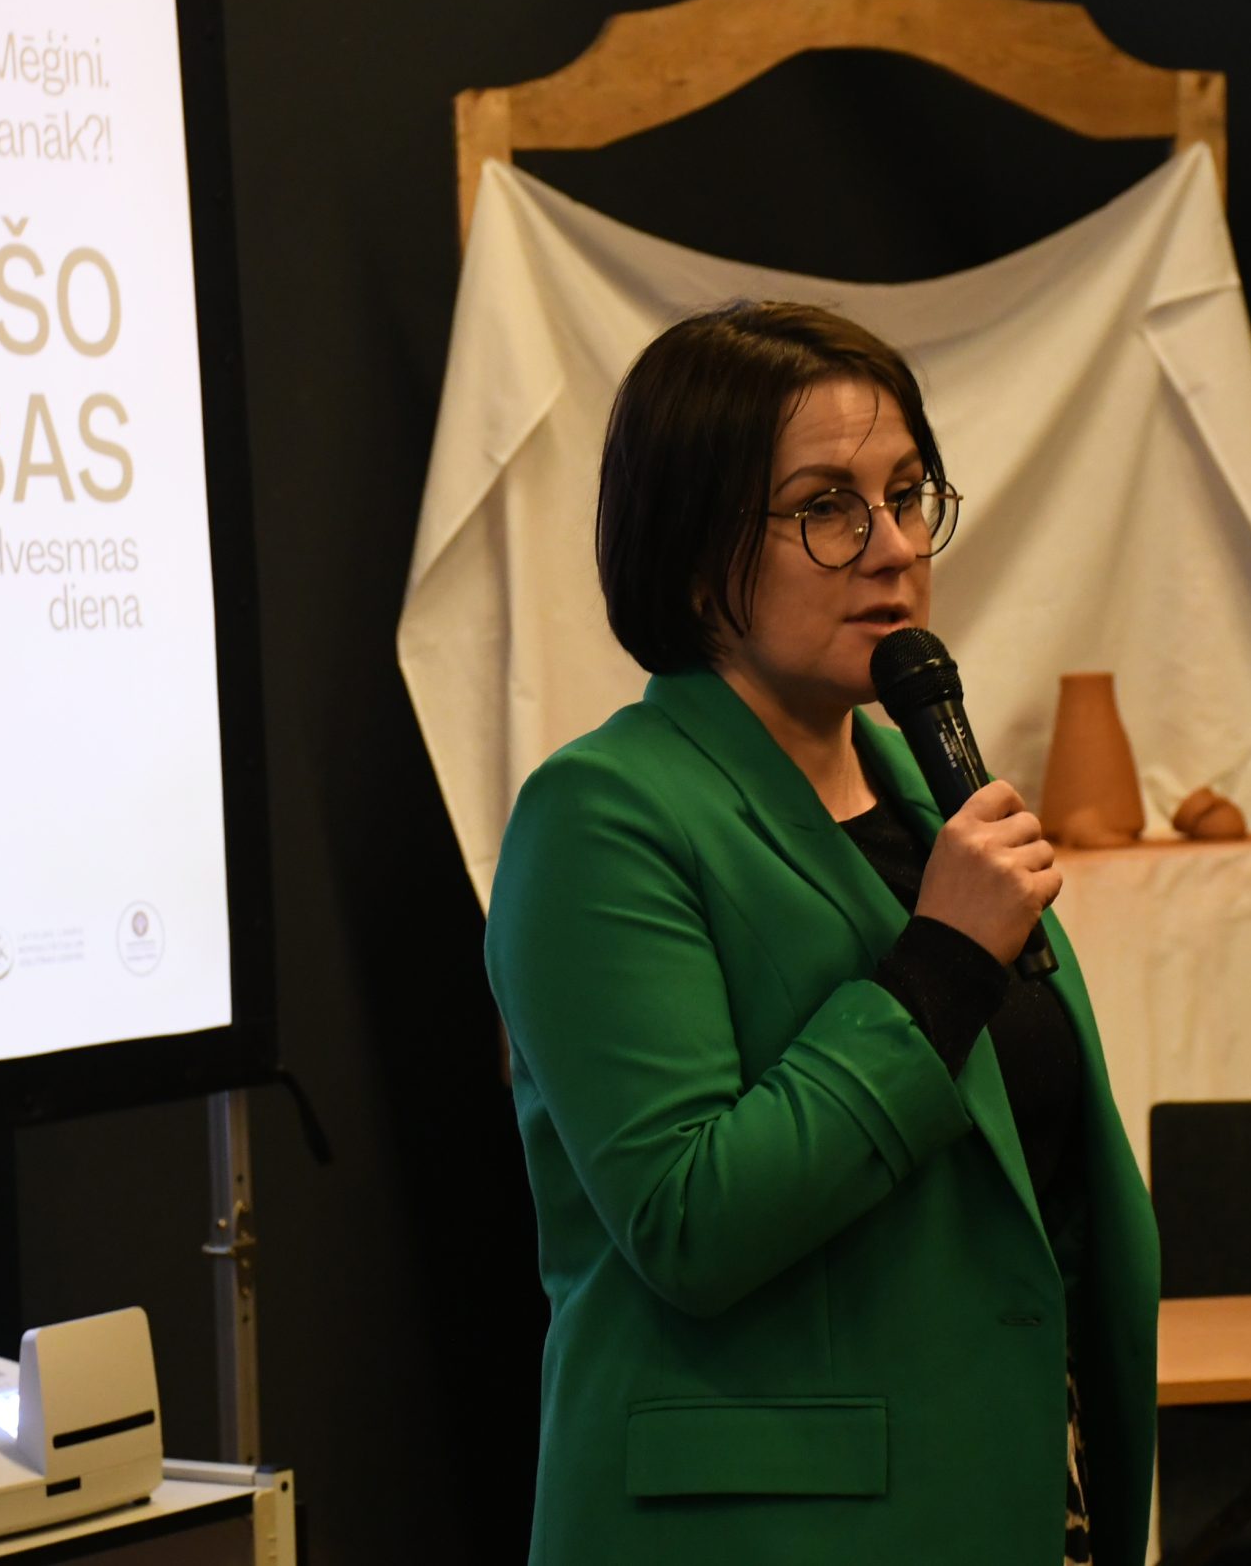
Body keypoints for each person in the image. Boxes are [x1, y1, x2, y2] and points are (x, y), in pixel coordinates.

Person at [485, 301, 1159, 1566]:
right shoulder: (601, 817)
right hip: (768, 1531)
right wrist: (940, 964)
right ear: (696, 557)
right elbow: (689, 1219)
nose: (892, 546)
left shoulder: (926, 798)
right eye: (827, 507)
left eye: (906, 496)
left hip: (1004, 1500)